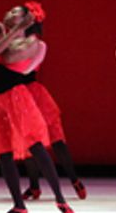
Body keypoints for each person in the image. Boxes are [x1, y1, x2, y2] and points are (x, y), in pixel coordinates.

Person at [0, 2, 75, 213]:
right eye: (9, 10)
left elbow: (10, 57)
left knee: (36, 147)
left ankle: (60, 198)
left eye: (16, 13)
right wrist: (6, 32)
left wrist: (6, 33)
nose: (10, 13)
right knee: (4, 154)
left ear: (28, 21)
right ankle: (18, 206)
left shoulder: (33, 43)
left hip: (16, 97)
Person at [18, 26, 87, 202]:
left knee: (57, 141)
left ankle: (74, 179)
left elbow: (26, 68)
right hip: (19, 94)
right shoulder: (13, 43)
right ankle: (34, 186)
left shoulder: (38, 45)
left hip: (34, 95)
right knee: (28, 143)